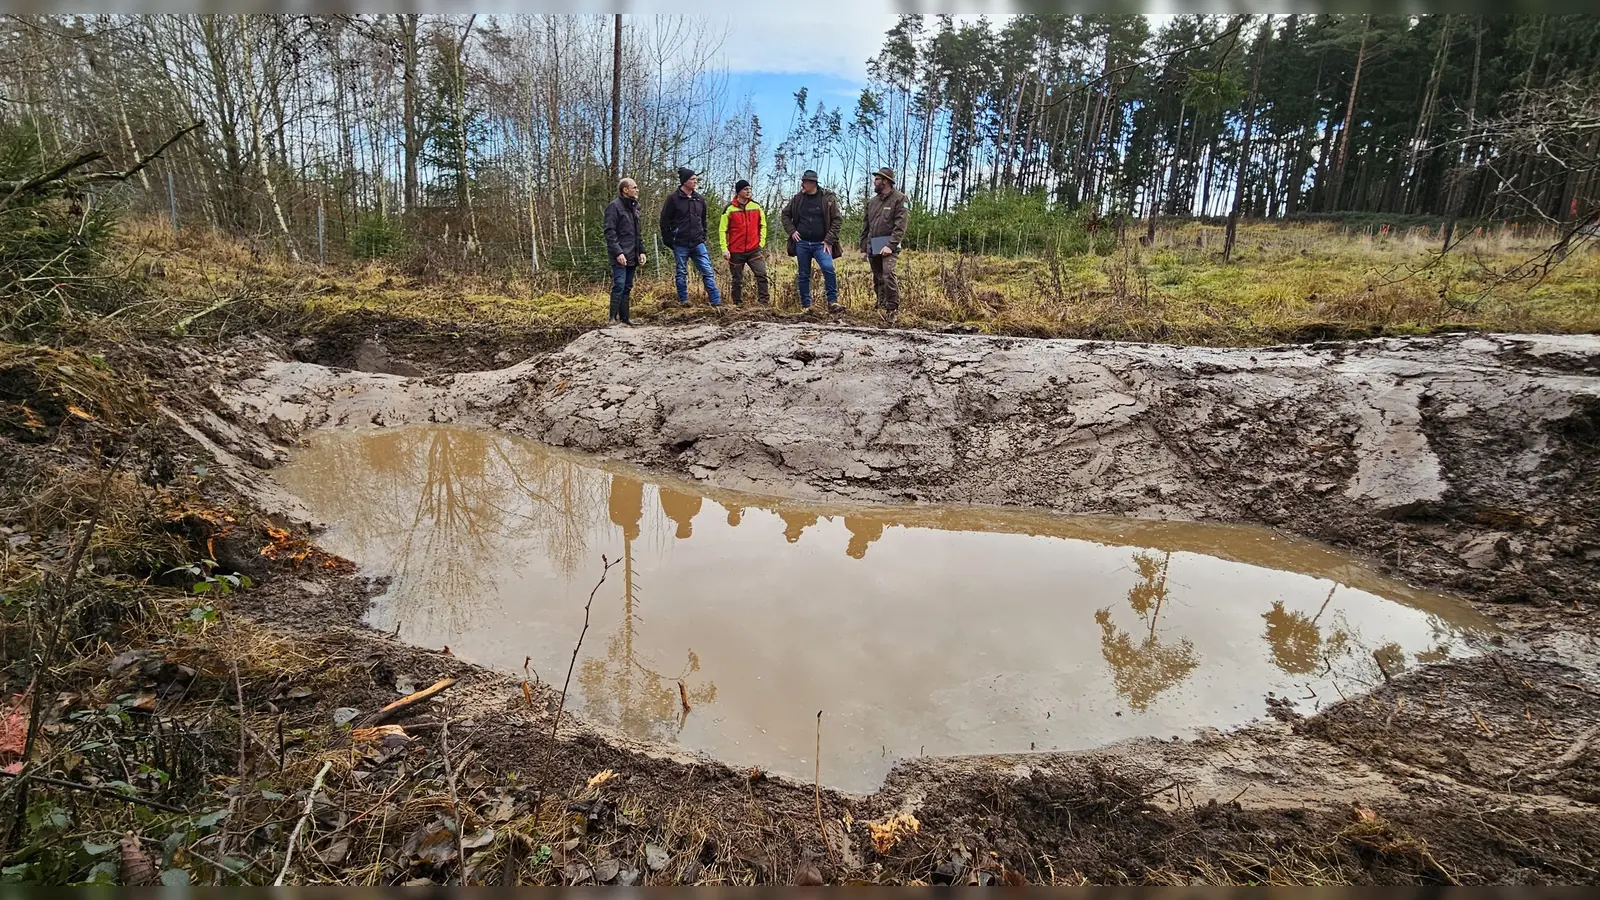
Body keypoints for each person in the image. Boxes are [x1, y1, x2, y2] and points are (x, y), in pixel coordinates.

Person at [659, 167, 722, 308]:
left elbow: (703, 220)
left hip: (698, 242)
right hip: (680, 243)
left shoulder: (699, 199)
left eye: (695, 179)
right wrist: (669, 240)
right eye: (692, 179)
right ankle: (684, 301)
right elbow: (664, 221)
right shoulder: (673, 199)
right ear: (684, 182)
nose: (695, 181)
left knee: (707, 271)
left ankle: (716, 301)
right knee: (681, 272)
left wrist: (703, 235)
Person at [780, 169, 841, 312]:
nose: (802, 184)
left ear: (813, 183)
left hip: (821, 244)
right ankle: (806, 306)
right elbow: (785, 215)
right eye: (802, 181)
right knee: (803, 274)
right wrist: (792, 231)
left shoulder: (827, 199)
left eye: (804, 182)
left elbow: (837, 220)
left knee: (828, 268)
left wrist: (829, 240)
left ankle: (832, 302)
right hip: (802, 243)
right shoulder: (797, 199)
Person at [860, 166, 909, 323]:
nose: (874, 182)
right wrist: (863, 248)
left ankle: (892, 308)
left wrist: (891, 245)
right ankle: (881, 304)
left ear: (885, 181)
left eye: (877, 179)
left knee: (888, 274)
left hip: (889, 243)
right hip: (873, 243)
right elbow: (866, 226)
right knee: (878, 276)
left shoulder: (900, 199)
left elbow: (900, 225)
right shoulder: (872, 202)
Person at [602, 177, 646, 325]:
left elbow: (637, 233)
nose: (637, 189)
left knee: (627, 286)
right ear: (625, 190)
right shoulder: (614, 207)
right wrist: (618, 252)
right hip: (619, 254)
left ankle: (625, 318)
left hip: (633, 253)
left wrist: (642, 251)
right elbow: (610, 232)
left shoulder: (635, 208)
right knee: (619, 284)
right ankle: (612, 318)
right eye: (634, 187)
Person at [719, 179, 769, 306]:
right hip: (735, 251)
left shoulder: (756, 207)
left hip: (754, 249)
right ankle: (737, 305)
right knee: (737, 280)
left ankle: (764, 303)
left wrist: (761, 243)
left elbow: (763, 225)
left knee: (762, 274)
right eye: (745, 189)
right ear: (738, 192)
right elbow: (722, 230)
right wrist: (724, 249)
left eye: (749, 189)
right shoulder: (729, 209)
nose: (748, 191)